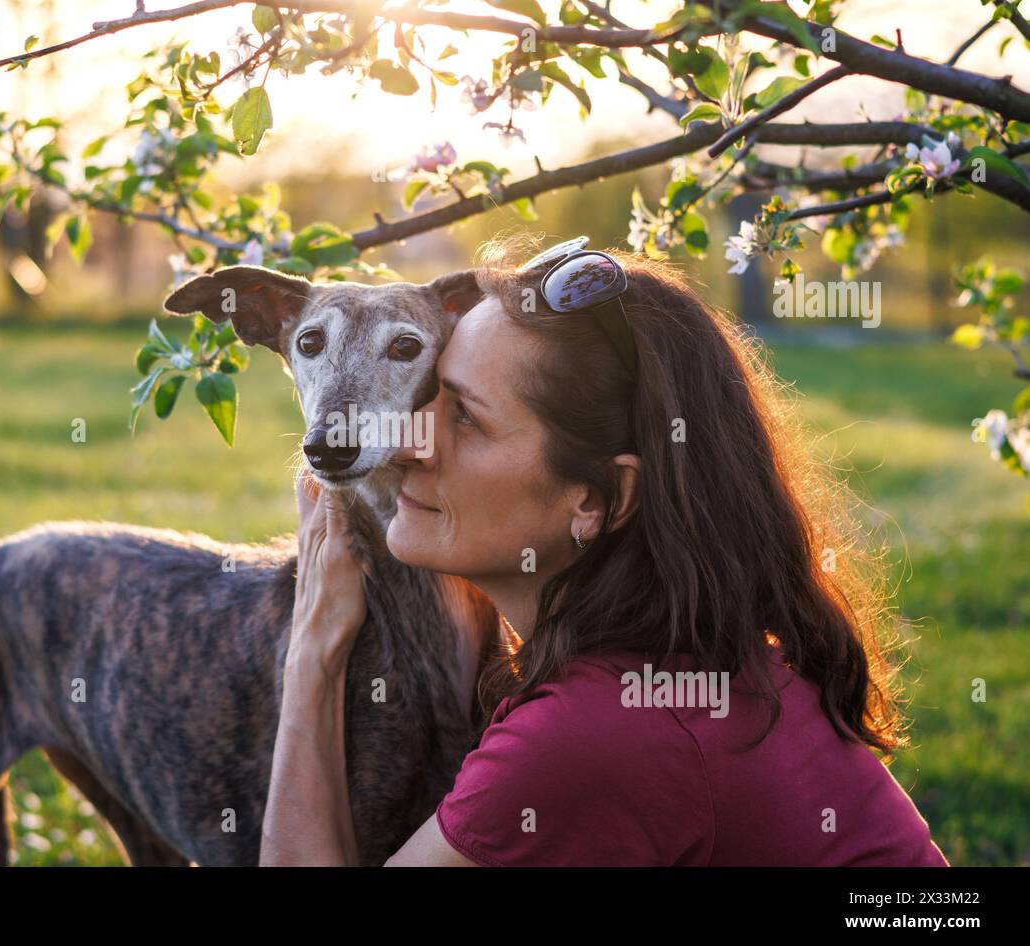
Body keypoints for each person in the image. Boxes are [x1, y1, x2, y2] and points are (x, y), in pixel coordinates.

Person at [258, 237, 948, 866]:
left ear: (598, 500)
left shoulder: (586, 740)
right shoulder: (701, 659)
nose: (406, 442)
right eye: (429, 396)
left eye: (464, 417)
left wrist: (313, 656)